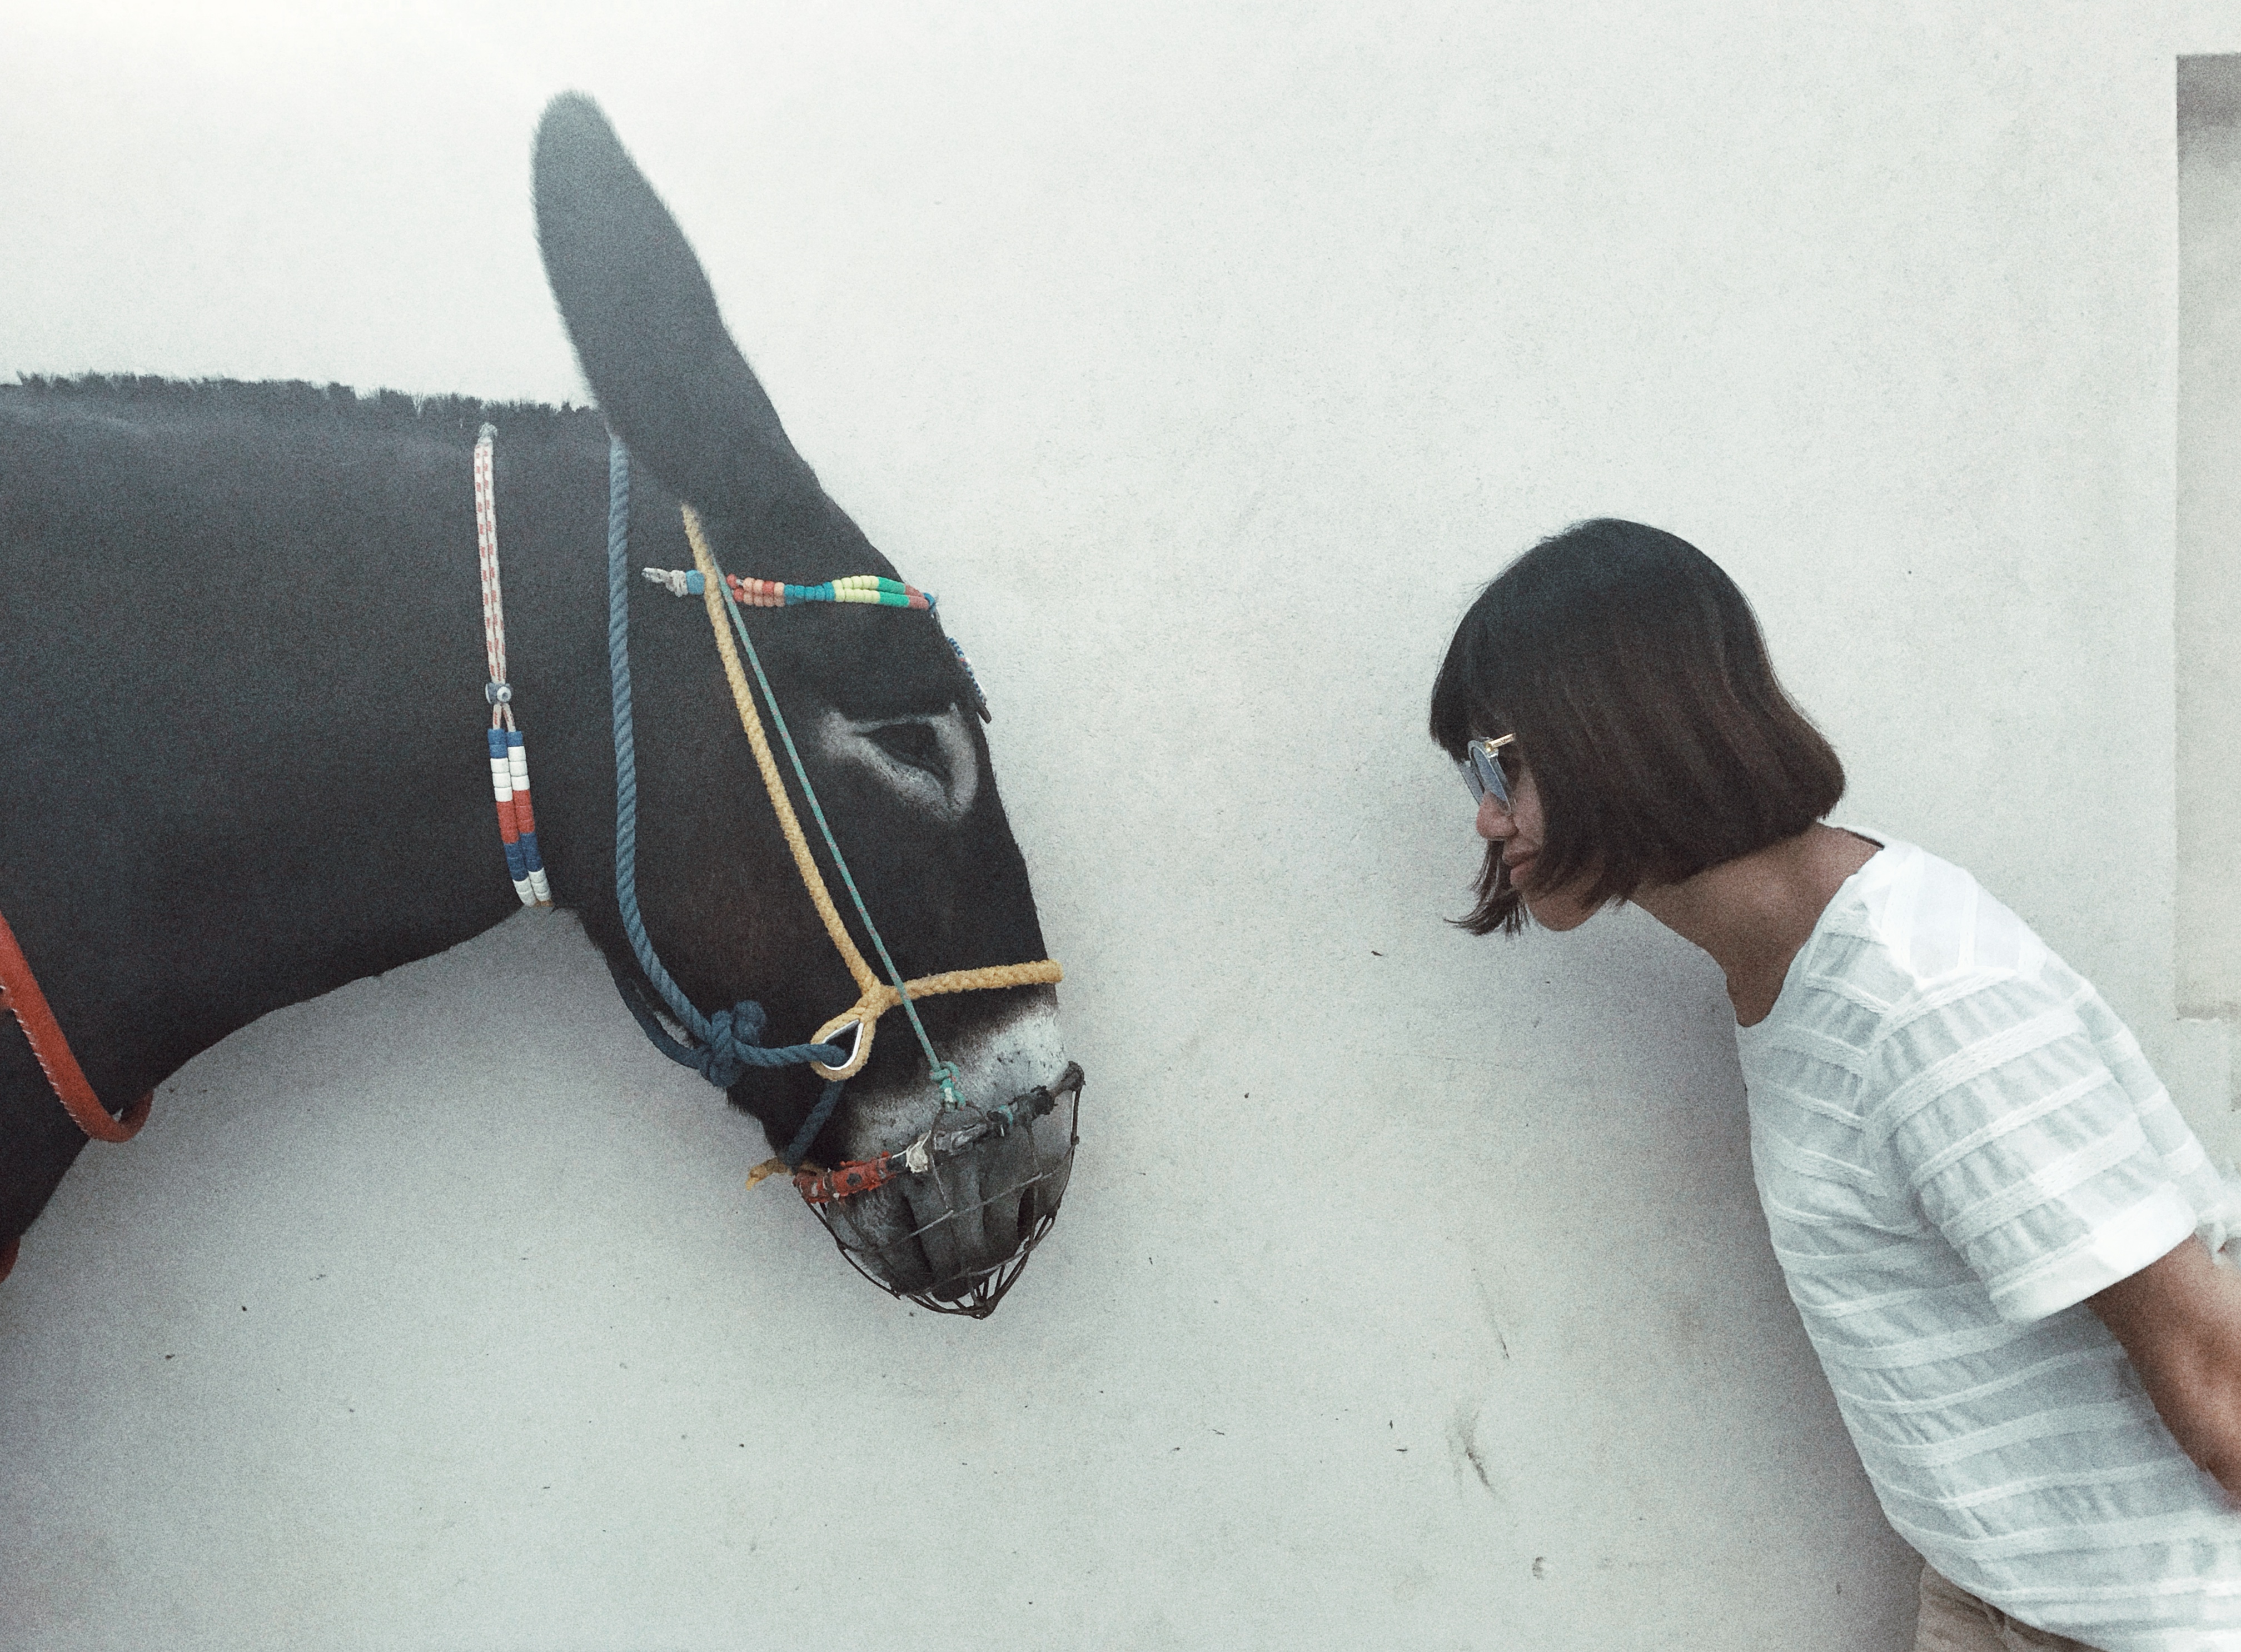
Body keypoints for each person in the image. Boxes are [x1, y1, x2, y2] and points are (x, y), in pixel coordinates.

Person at [1429, 518, 2241, 1651]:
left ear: (1612, 725)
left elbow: (2218, 1370)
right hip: (1998, 1595)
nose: (1483, 811)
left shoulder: (1928, 998)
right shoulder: (1797, 962)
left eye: (1497, 760)